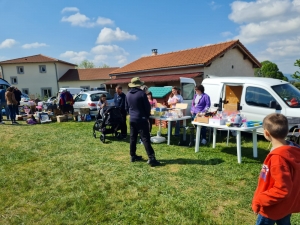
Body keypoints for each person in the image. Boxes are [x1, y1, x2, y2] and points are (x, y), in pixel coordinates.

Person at [252, 113, 300, 225]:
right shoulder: (292, 150)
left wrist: (259, 200)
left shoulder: (278, 159)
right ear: (287, 131)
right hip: (286, 205)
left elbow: (282, 189)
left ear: (266, 133)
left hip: (271, 207)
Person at [125, 77, 160, 167]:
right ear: (139, 85)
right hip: (141, 118)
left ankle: (132, 155)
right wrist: (147, 116)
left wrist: (132, 114)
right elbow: (147, 107)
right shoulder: (141, 94)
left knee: (133, 138)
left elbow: (126, 107)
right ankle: (151, 158)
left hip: (132, 119)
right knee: (145, 138)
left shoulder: (128, 94)